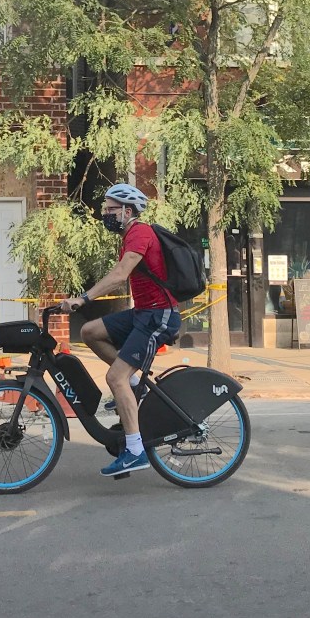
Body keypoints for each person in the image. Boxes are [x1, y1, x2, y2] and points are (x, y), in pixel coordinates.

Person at [60, 183, 181, 477]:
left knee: (115, 377)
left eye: (110, 209)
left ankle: (136, 451)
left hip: (158, 316)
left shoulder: (140, 233)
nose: (105, 214)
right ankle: (134, 382)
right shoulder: (129, 235)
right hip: (143, 313)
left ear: (127, 211)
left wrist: (83, 298)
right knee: (89, 331)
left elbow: (119, 275)